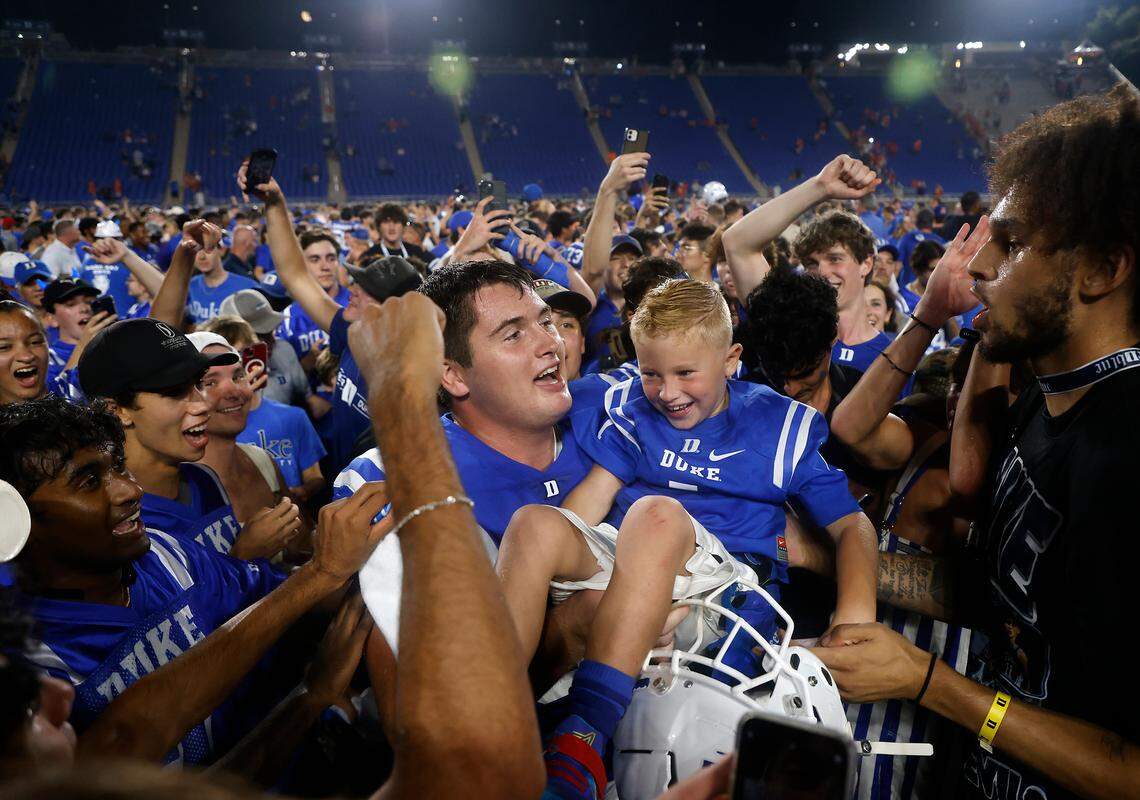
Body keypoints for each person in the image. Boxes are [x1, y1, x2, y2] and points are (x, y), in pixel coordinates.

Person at [811, 86, 1140, 800]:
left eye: (1014, 243)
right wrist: (814, 556)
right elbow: (1001, 599)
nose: (981, 264)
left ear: (1102, 269)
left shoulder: (1127, 455)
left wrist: (932, 683)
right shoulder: (1043, 408)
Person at [0, 396, 391, 770]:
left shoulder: (165, 554)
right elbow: (119, 745)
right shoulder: (27, 653)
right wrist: (308, 695)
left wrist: (380, 565)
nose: (131, 490)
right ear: (14, 521)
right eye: (88, 482)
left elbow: (283, 597)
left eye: (118, 466)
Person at [79, 257, 301, 561]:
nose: (201, 403)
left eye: (197, 384)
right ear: (118, 411)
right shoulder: (109, 518)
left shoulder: (204, 480)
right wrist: (245, 557)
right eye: (174, 393)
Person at [242, 164, 424, 474]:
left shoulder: (411, 377)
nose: (353, 290)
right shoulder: (352, 331)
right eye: (357, 282)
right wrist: (275, 204)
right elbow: (295, 275)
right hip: (340, 480)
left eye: (367, 290)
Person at [724, 155, 893, 376]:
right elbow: (737, 243)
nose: (822, 273)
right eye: (812, 263)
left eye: (835, 259)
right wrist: (820, 187)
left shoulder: (894, 357)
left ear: (866, 263)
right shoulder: (787, 326)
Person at [201, 316, 327, 504]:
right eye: (212, 380)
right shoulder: (203, 432)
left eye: (246, 354)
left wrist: (303, 491)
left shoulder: (293, 417)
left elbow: (315, 476)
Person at [274, 230, 350, 369]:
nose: (325, 267)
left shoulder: (357, 305)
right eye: (315, 259)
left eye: (331, 258)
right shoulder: (288, 319)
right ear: (301, 265)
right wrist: (310, 360)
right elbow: (286, 378)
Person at [42, 277, 116, 393]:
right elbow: (54, 401)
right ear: (52, 318)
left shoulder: (112, 344)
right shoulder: (46, 358)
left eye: (89, 302)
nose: (84, 308)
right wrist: (83, 346)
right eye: (71, 304)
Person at [186, 236, 261, 327]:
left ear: (221, 250)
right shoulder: (190, 285)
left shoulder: (247, 286)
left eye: (208, 250)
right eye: (196, 251)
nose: (201, 256)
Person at [361, 203, 430, 263]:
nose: (391, 228)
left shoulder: (416, 252)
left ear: (403, 226)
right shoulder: (369, 257)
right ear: (379, 227)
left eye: (396, 222)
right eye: (386, 222)